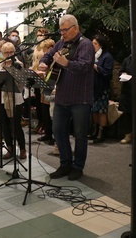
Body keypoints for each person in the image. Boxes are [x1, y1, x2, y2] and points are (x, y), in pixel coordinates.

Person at [39, 14, 95, 181]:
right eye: (61, 30)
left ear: (75, 28)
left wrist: (67, 63)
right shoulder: (61, 43)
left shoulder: (85, 44)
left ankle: (78, 167)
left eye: (65, 30)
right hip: (62, 96)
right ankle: (65, 164)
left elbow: (85, 67)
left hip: (80, 98)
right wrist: (44, 62)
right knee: (58, 130)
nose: (62, 33)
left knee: (79, 134)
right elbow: (49, 55)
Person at [89, 34, 114, 143]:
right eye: (92, 43)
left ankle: (101, 133)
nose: (93, 45)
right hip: (92, 86)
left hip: (102, 87)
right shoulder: (92, 55)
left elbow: (107, 73)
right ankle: (95, 131)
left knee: (102, 110)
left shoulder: (107, 56)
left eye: (95, 44)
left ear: (101, 45)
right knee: (94, 109)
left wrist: (95, 66)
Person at [34, 38, 56, 144]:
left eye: (45, 49)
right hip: (45, 85)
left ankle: (53, 136)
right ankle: (47, 133)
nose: (44, 52)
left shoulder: (56, 58)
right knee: (44, 110)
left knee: (51, 112)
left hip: (52, 86)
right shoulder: (47, 58)